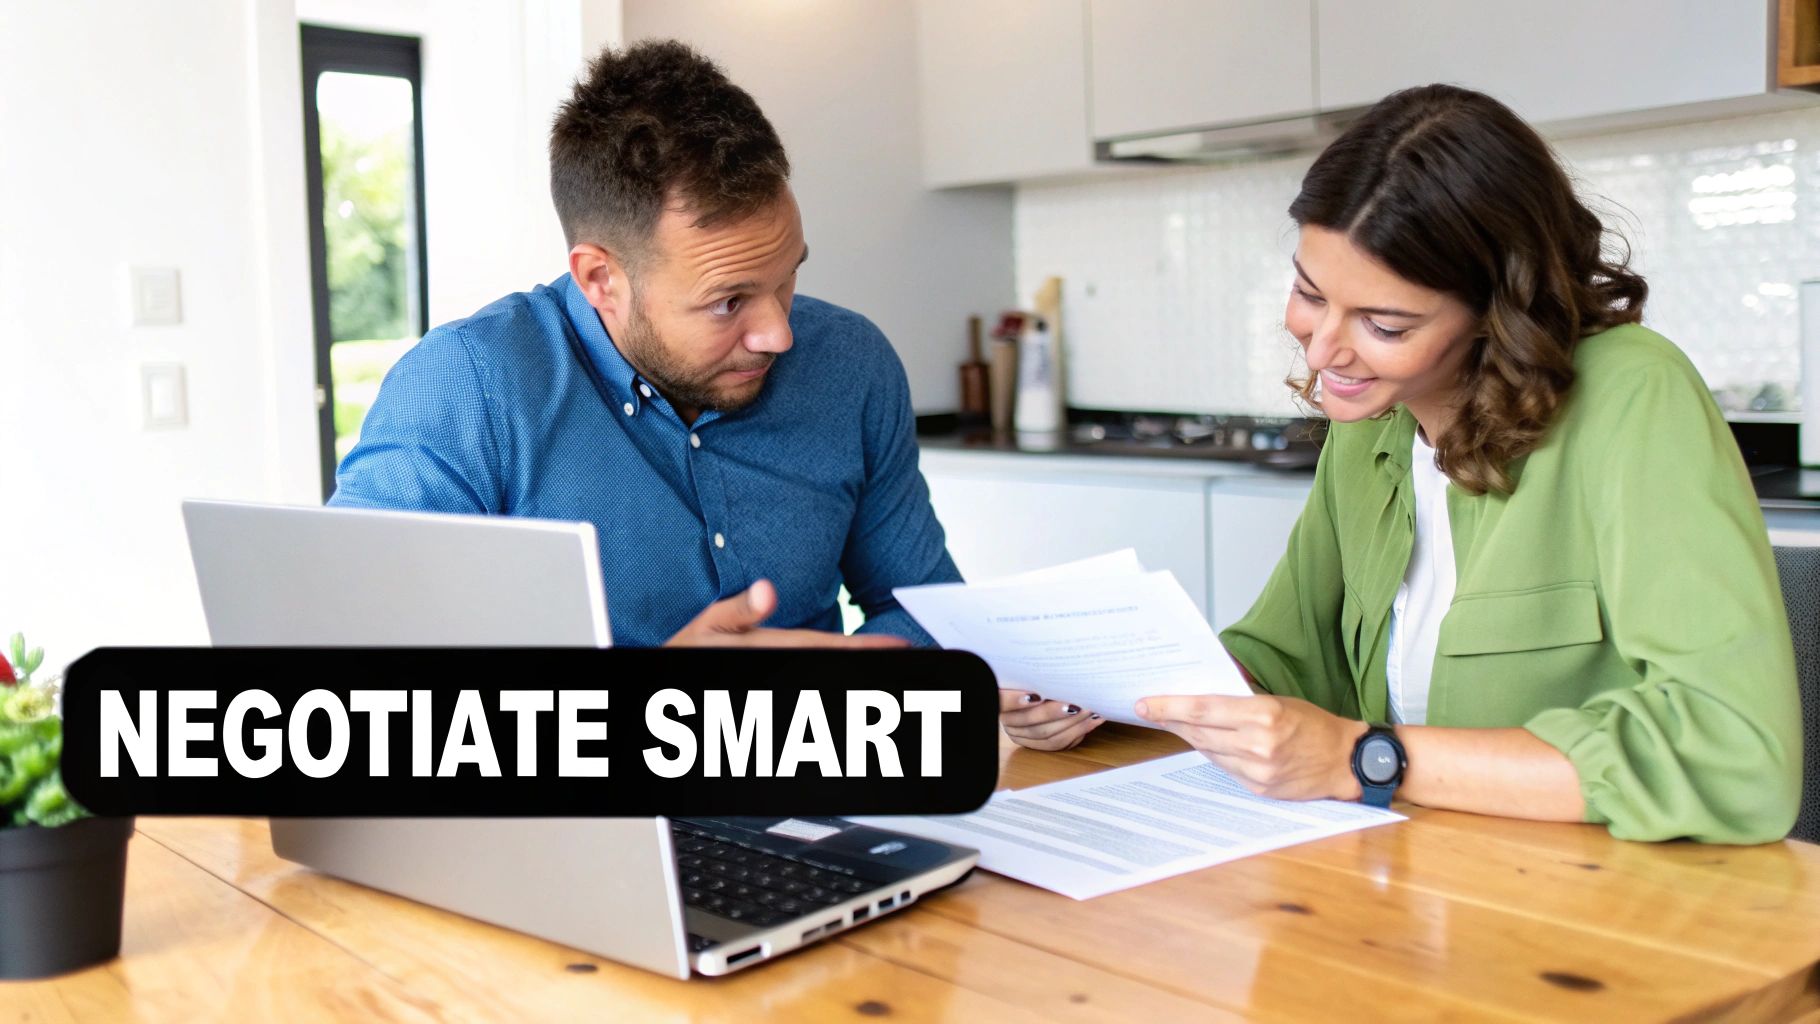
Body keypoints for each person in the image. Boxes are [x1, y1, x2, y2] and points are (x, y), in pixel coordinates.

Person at [1000, 84, 1802, 844]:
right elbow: (1289, 662)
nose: (1323, 350)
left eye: (1383, 323)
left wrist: (1365, 758)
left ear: (1500, 312)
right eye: (1311, 294)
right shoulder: (1373, 422)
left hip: (1596, 893)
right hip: (1414, 869)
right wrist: (1116, 697)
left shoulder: (1633, 394)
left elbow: (1733, 754)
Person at [330, 40, 959, 649]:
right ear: (601, 279)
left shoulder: (853, 363)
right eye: (728, 302)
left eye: (787, 275)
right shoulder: (467, 388)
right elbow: (357, 669)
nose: (779, 334)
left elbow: (927, 609)